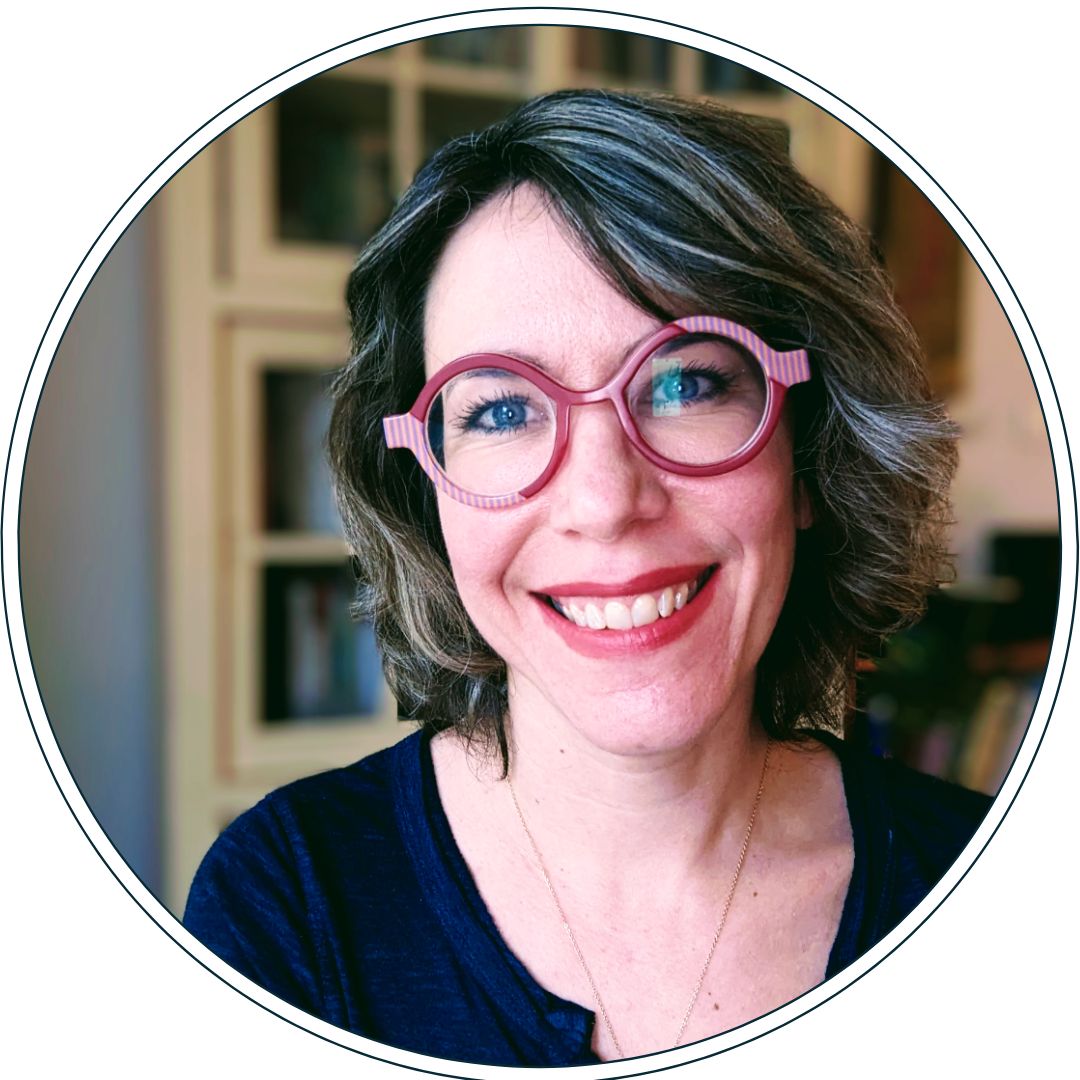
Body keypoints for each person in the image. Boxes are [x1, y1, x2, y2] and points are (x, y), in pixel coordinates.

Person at [183, 89, 992, 1066]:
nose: (605, 501)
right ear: (429, 497)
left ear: (809, 457)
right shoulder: (286, 906)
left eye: (686, 383)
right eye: (500, 411)